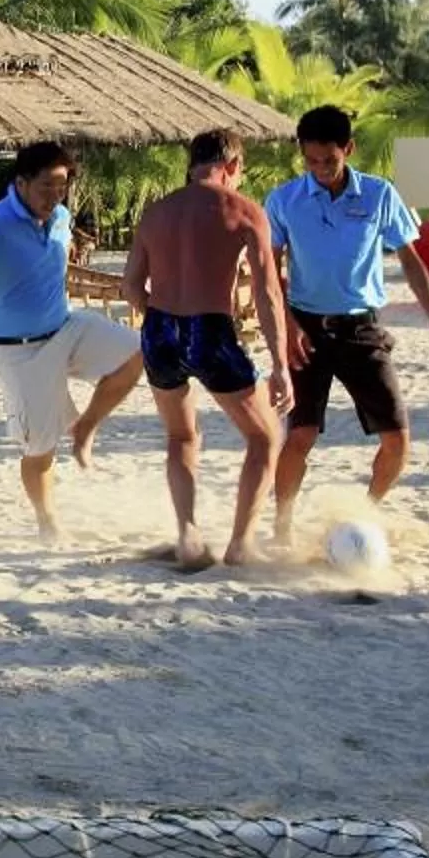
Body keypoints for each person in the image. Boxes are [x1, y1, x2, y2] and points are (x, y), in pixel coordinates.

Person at [263, 104, 429, 547]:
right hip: (304, 328)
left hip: (361, 328)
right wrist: (286, 325)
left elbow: (412, 264)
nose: (320, 169)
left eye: (330, 160)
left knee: (397, 441)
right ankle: (282, 529)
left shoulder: (380, 195)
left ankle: (362, 516)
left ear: (349, 149)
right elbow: (268, 268)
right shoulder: (283, 200)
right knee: (300, 435)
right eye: (311, 160)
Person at [0, 141, 142, 541]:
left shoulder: (60, 216)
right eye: (47, 187)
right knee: (39, 449)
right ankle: (47, 521)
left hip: (64, 327)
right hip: (17, 350)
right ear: (22, 183)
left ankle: (85, 427)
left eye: (62, 187)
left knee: (139, 352)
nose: (54, 196)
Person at [124, 130, 292, 569]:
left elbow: (129, 287)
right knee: (264, 435)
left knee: (181, 436)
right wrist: (280, 364)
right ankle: (239, 545)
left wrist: (159, 312)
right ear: (232, 166)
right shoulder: (243, 211)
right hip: (209, 331)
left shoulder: (156, 213)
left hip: (159, 330)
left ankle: (188, 536)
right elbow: (267, 294)